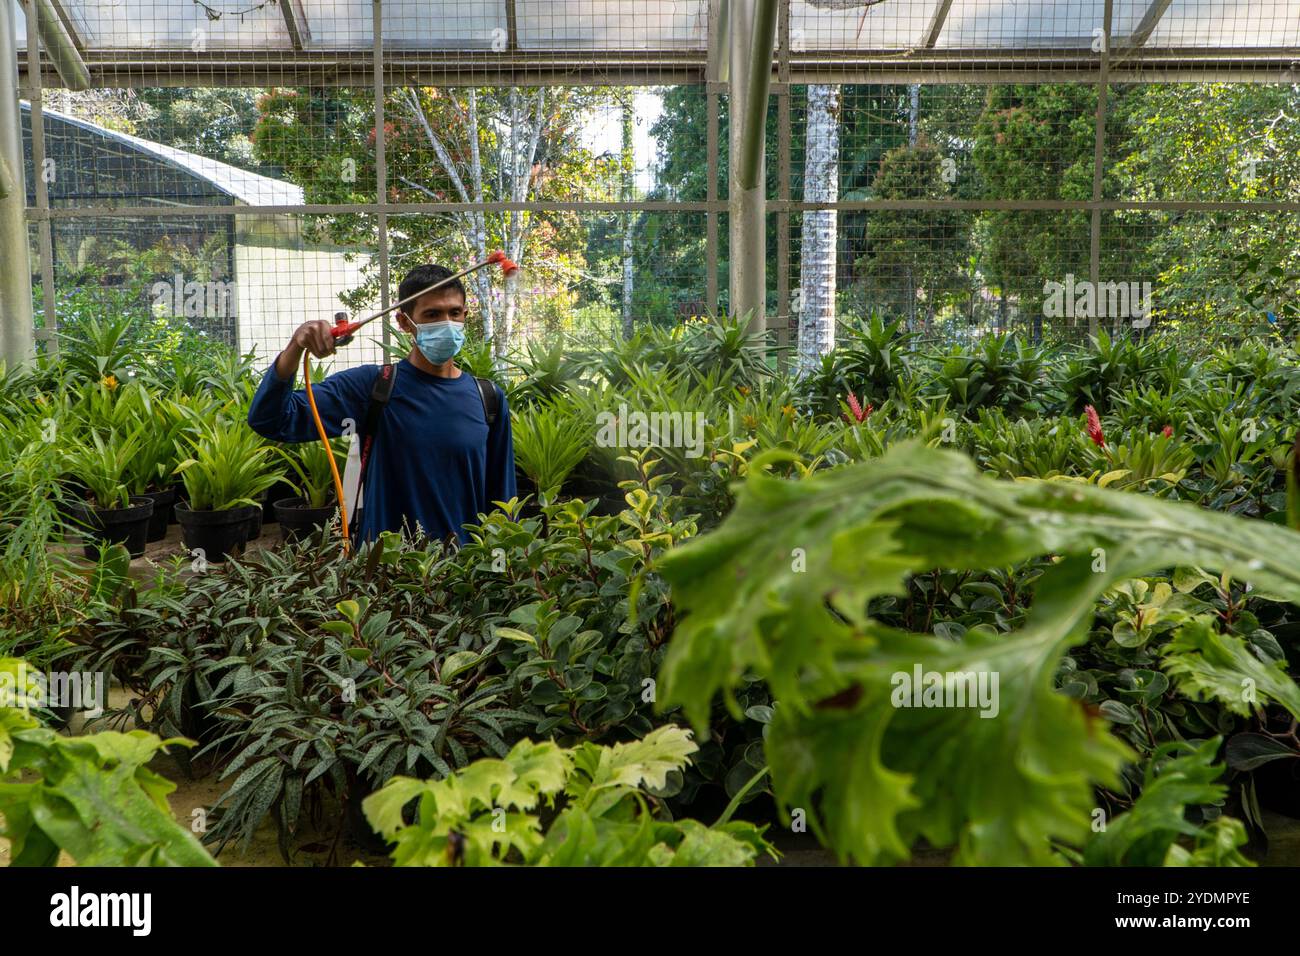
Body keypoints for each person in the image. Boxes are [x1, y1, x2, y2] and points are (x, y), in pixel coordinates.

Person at [247, 263, 515, 544]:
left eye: (454, 313)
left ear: (465, 316)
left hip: (464, 575)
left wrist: (502, 566)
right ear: (403, 322)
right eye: (432, 314)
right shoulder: (374, 387)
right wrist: (295, 347)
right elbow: (271, 419)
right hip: (389, 573)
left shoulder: (488, 399)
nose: (446, 322)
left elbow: (503, 497)